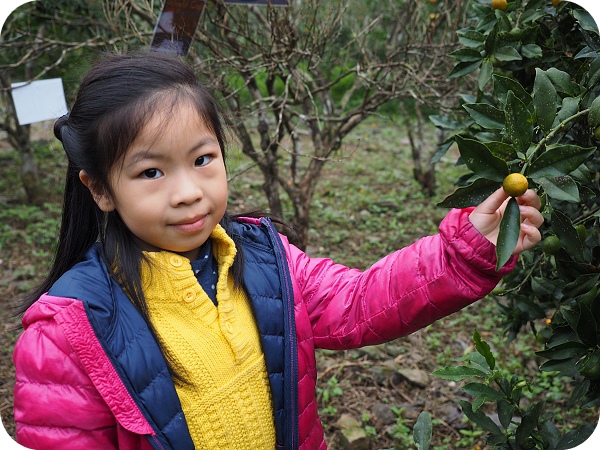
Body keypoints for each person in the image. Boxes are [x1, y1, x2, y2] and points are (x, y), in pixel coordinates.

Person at [12, 51, 543, 450]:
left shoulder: (266, 260)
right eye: (151, 172)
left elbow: (361, 302)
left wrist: (466, 249)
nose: (189, 191)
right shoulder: (67, 335)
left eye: (203, 159)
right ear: (101, 188)